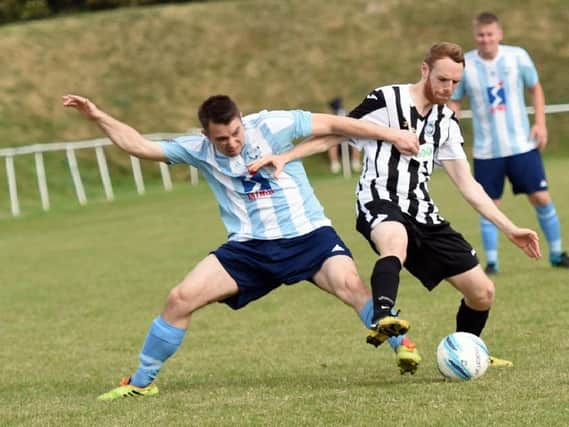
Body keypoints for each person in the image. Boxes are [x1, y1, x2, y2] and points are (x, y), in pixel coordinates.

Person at [62, 93, 421, 400]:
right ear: (207, 135)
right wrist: (97, 116)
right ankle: (141, 383)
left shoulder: (272, 125)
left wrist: (392, 135)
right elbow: (138, 145)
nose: (232, 143)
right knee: (179, 299)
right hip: (249, 249)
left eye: (235, 133)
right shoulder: (197, 149)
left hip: (309, 235)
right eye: (222, 139)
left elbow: (336, 124)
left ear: (240, 121)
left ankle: (401, 347)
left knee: (353, 287)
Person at [248, 42, 542, 373]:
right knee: (395, 240)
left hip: (423, 213)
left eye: (456, 83)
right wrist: (286, 156)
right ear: (425, 70)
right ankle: (384, 314)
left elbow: (468, 185)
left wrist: (510, 228)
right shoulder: (386, 100)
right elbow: (337, 131)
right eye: (443, 79)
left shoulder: (446, 120)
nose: (449, 88)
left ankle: (466, 350)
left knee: (483, 292)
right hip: (379, 199)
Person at [449, 12, 569, 274]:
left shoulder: (518, 57)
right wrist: (449, 127)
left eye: (490, 34)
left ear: (499, 34)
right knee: (488, 205)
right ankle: (491, 262)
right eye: (481, 35)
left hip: (521, 146)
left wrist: (540, 123)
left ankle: (558, 253)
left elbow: (535, 88)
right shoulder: (466, 65)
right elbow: (454, 101)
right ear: (475, 36)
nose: (486, 39)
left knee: (540, 196)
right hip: (486, 150)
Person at [327, 97, 362, 174]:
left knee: (356, 140)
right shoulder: (331, 118)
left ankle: (355, 163)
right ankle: (335, 165)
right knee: (332, 144)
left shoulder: (347, 115)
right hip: (337, 144)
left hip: (349, 142)